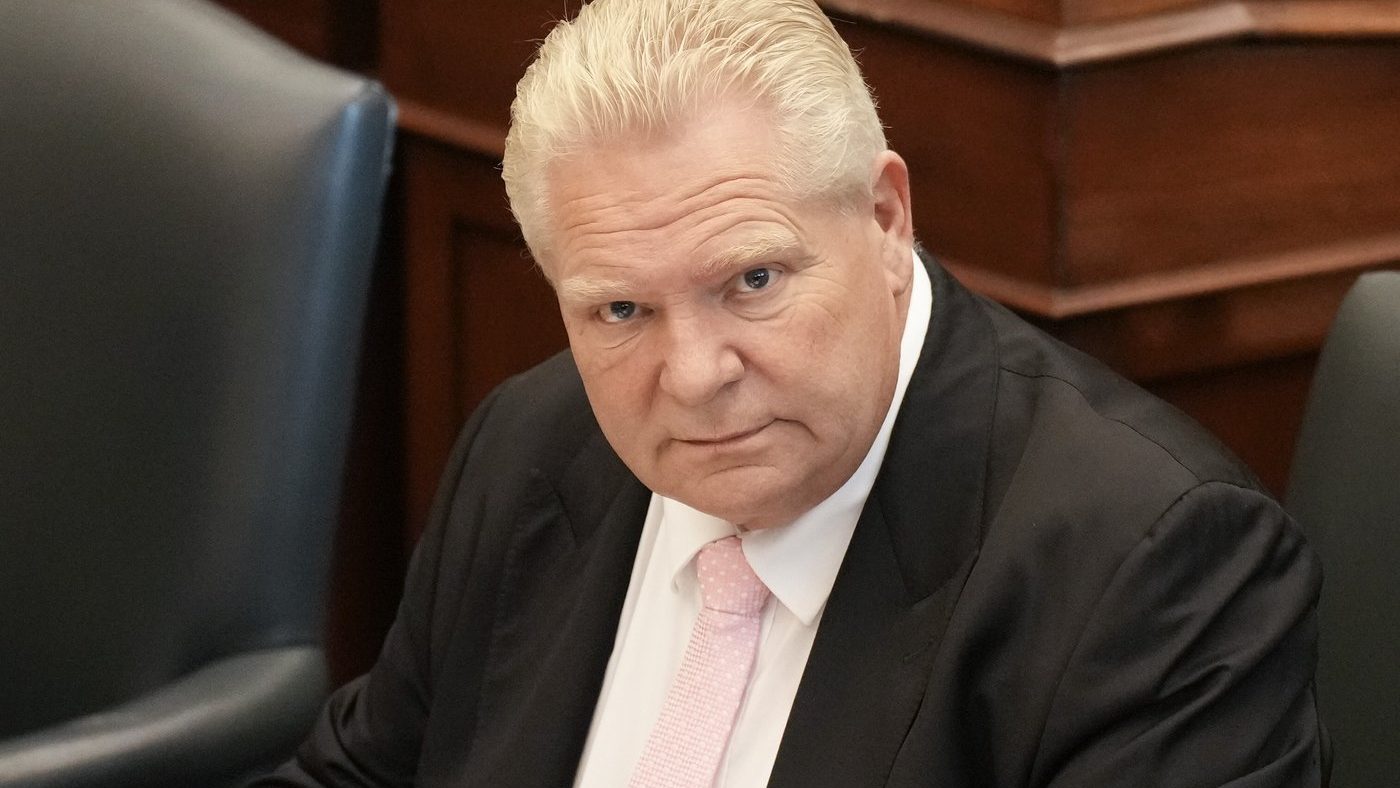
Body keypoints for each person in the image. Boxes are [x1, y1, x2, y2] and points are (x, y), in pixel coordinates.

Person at [255, 0, 1327, 785]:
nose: (693, 375)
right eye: (619, 311)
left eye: (751, 281)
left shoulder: (1150, 568)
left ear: (884, 219)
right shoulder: (531, 446)